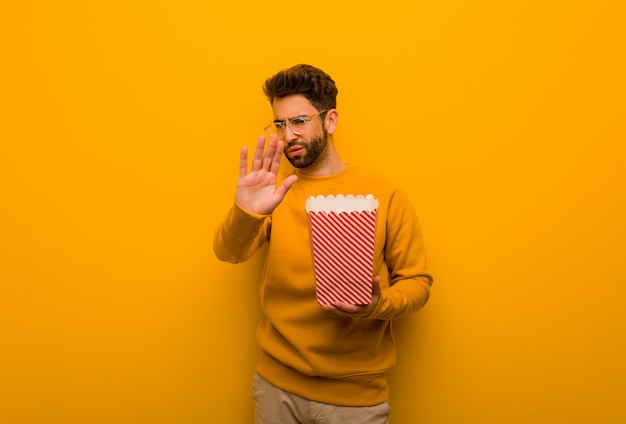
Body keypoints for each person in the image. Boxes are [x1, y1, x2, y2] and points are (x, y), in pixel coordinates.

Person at [213, 64, 433, 423]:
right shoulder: (274, 192)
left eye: (299, 121)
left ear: (330, 121)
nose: (288, 136)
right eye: (280, 125)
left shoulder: (385, 194)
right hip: (275, 388)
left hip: (355, 400)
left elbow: (418, 282)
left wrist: (378, 305)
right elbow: (229, 253)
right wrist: (245, 211)